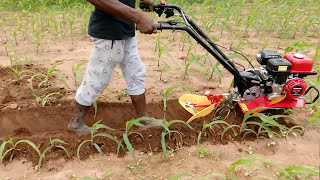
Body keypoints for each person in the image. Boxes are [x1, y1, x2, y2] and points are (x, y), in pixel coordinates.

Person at [68, 0, 159, 135]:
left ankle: (144, 119)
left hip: (126, 29)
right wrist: (138, 17)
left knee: (136, 72)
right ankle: (76, 123)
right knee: (97, 78)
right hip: (108, 34)